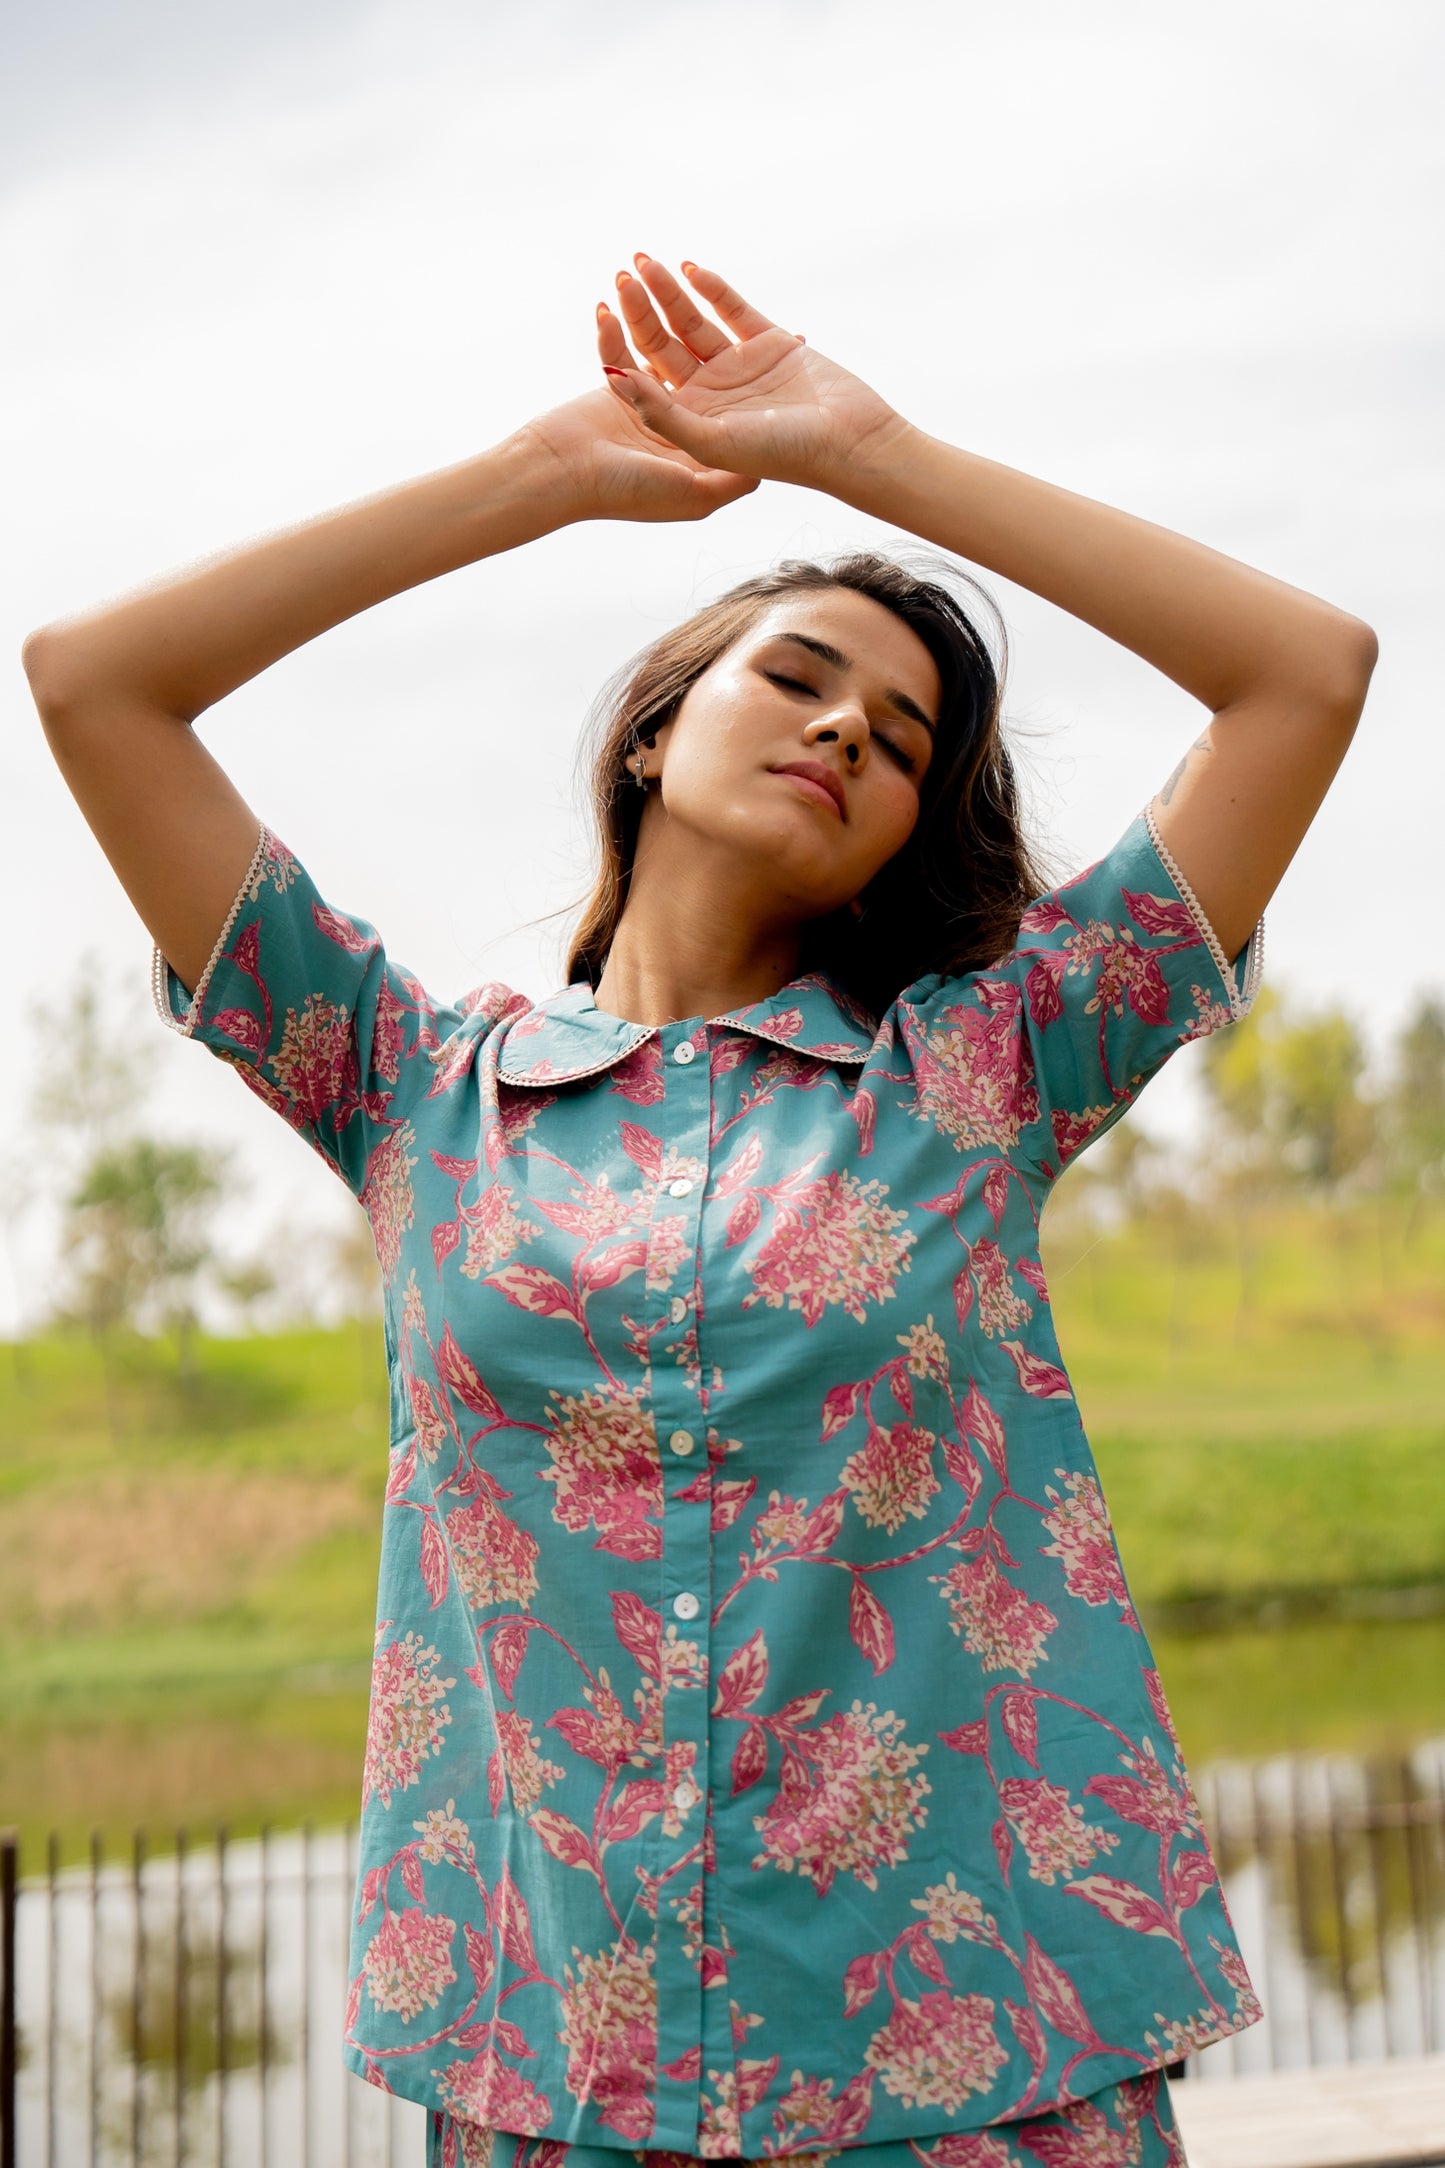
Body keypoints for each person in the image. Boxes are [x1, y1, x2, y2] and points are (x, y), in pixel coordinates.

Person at [24, 255, 1375, 2168]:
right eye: (799, 679)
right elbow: (97, 683)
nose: (845, 735)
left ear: (910, 831)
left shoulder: (979, 1083)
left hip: (981, 2064)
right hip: (563, 2080)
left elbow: (1303, 672)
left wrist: (870, 453)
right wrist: (537, 476)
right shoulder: (410, 1090)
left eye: (901, 743)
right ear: (654, 729)